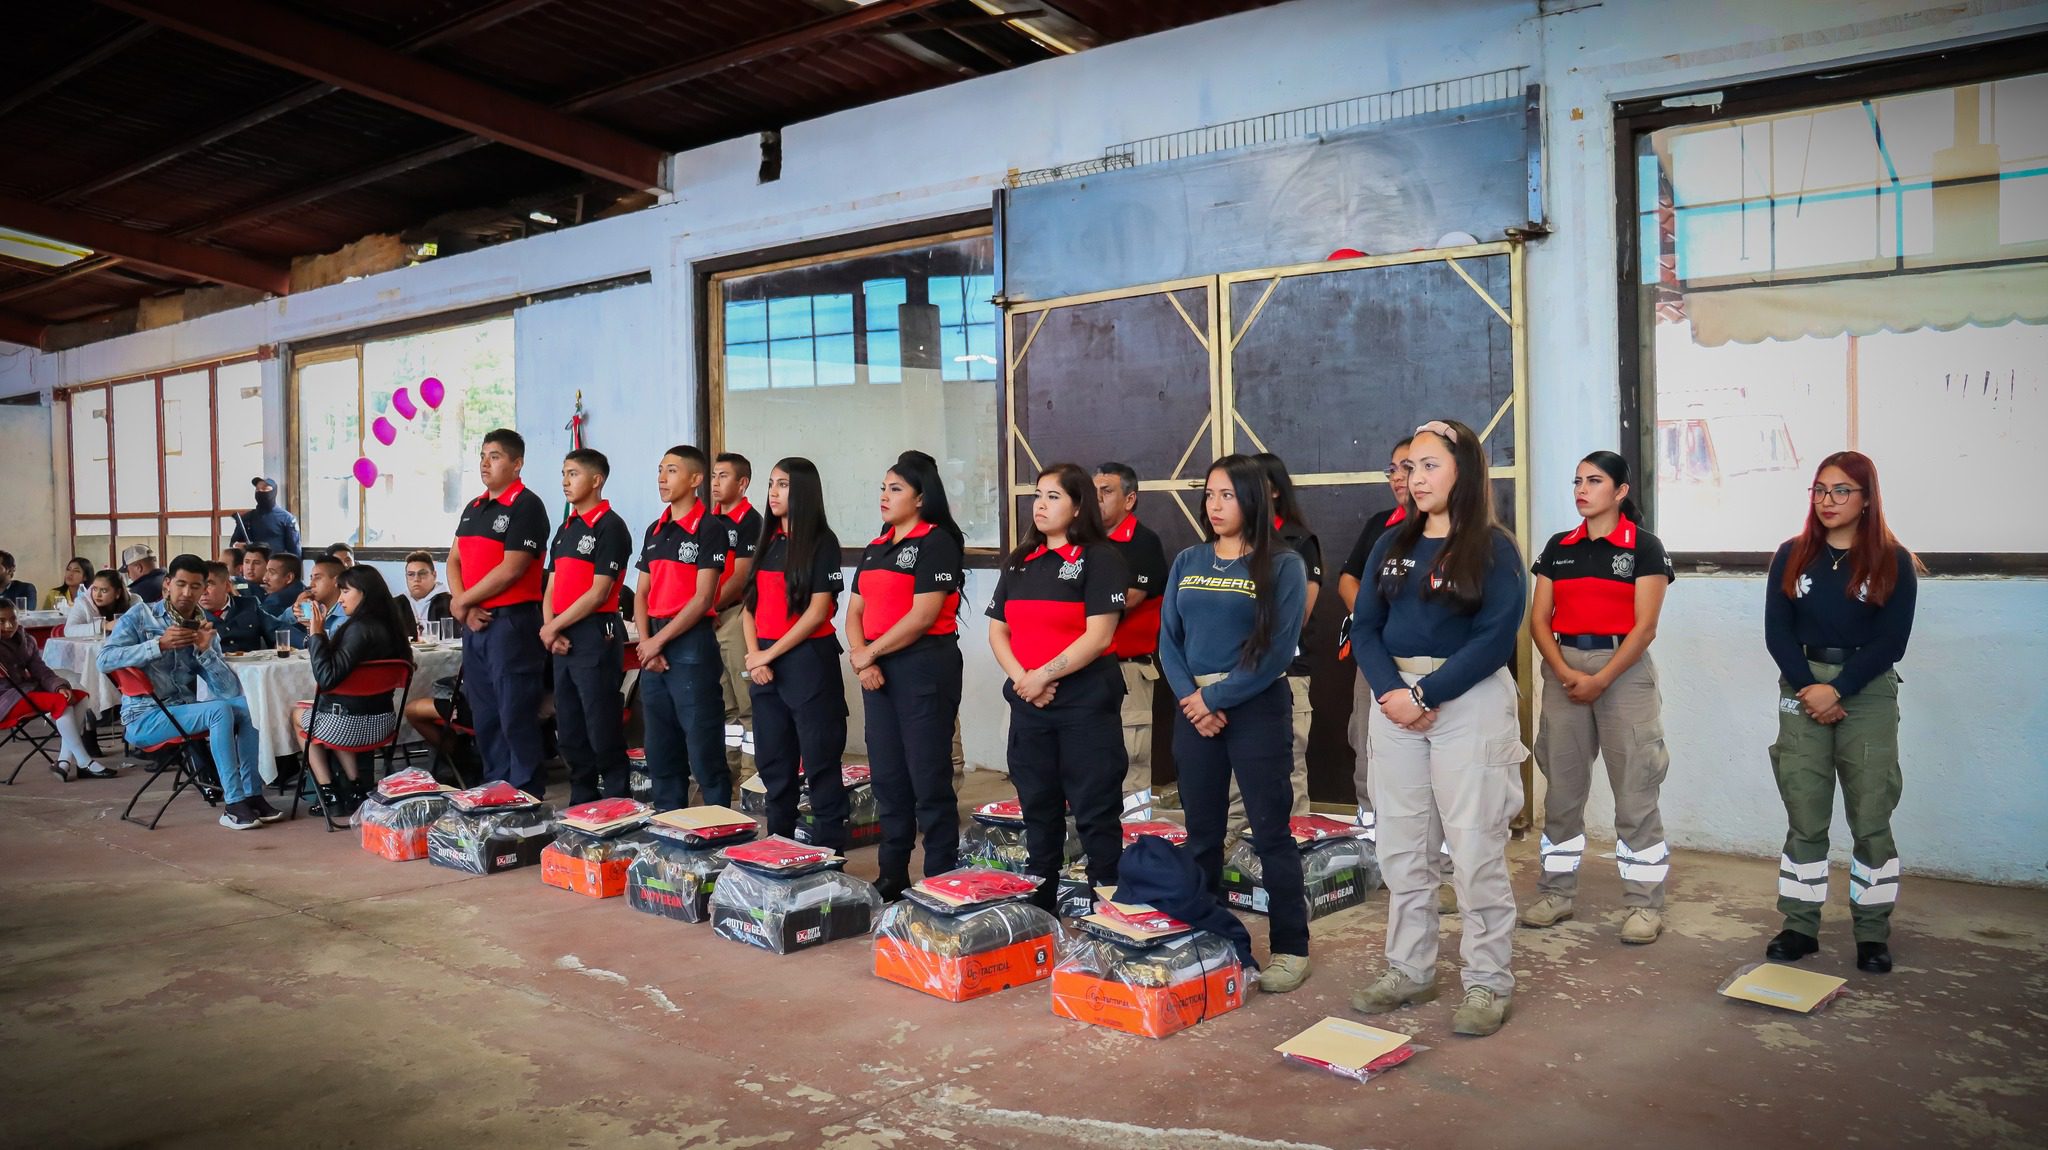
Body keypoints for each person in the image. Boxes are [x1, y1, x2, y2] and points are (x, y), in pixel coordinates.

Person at [1348, 418, 1528, 1038]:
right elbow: (1364, 625)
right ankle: (1409, 968)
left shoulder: (1493, 547)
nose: (1414, 478)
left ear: (1464, 471)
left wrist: (1427, 692)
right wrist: (1394, 692)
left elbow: (1495, 638)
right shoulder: (1391, 542)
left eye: (1429, 466)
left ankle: (1486, 980)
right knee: (1403, 847)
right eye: (1408, 467)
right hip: (1395, 701)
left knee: (1475, 846)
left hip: (1467, 701)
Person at [1158, 454, 1311, 992]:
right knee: (1201, 833)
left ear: (1253, 498)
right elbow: (1168, 641)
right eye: (1210, 495)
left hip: (1256, 709)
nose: (1214, 505)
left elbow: (1275, 652)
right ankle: (1208, 937)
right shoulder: (1189, 560)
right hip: (1193, 709)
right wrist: (1191, 699)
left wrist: (1215, 696)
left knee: (1271, 833)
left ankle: (1291, 947)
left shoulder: (1283, 565)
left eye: (1226, 495)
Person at [1764, 450, 1920, 975]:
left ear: (1867, 498)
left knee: (1871, 816)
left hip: (1867, 691)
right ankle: (1799, 925)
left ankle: (1872, 933)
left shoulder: (1893, 561)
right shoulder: (1791, 555)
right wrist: (1811, 688)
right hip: (1803, 687)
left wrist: (1841, 690)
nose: (1827, 501)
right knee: (1805, 812)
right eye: (1819, 490)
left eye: (1841, 491)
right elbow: (1777, 633)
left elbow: (1891, 642)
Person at [1520, 451, 1676, 945]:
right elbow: (1538, 620)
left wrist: (1602, 678)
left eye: (1595, 481)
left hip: (1622, 674)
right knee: (1562, 793)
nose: (1582, 489)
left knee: (1635, 790)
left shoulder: (1644, 547)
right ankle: (1555, 894)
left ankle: (1644, 904)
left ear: (1621, 491)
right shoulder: (1558, 547)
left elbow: (1645, 627)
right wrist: (1565, 671)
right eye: (1577, 481)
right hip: (1565, 671)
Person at [989, 463, 1131, 915]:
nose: (1041, 505)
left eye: (1053, 496)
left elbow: (1099, 636)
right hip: (1031, 702)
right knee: (1038, 805)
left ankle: (1108, 904)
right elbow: (997, 631)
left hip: (1085, 703)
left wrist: (1043, 675)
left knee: (1095, 807)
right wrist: (1023, 680)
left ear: (1077, 506)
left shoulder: (1100, 557)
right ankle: (1041, 905)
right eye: (1037, 495)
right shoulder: (1020, 561)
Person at [848, 452, 967, 900]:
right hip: (878, 668)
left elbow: (922, 616)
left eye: (895, 489)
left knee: (928, 777)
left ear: (920, 498)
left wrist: (869, 654)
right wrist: (866, 657)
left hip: (923, 666)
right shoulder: (877, 546)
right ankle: (893, 874)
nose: (884, 496)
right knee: (888, 778)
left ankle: (939, 879)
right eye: (883, 488)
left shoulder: (936, 542)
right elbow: (855, 610)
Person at [98, 553, 277, 830]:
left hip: (182, 711)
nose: (187, 593)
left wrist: (206, 651)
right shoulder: (141, 615)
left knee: (247, 705)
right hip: (144, 716)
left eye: (195, 586)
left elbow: (227, 689)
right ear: (167, 584)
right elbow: (104, 660)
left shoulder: (202, 623)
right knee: (218, 711)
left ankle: (252, 795)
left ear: (204, 588)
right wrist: (158, 645)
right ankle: (233, 803)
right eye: (181, 584)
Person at [741, 457, 849, 848]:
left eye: (783, 485)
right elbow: (748, 609)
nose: (772, 492)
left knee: (820, 762)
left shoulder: (823, 543)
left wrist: (769, 656)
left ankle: (829, 852)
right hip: (765, 663)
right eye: (771, 483)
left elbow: (817, 612)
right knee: (774, 764)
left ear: (802, 491)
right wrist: (756, 656)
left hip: (807, 661)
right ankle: (778, 846)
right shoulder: (768, 542)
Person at [447, 428, 552, 797]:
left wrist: (463, 602)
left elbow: (513, 567)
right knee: (486, 716)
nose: (484, 463)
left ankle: (524, 794)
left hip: (512, 624)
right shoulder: (474, 507)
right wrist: (465, 606)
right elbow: (453, 560)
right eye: (482, 456)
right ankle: (495, 789)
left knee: (515, 715)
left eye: (494, 456)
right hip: (475, 625)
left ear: (517, 463)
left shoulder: (526, 505)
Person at [632, 445, 730, 810]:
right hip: (654, 642)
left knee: (703, 745)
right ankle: (669, 826)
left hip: (689, 643)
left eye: (671, 470)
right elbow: (641, 593)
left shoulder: (710, 528)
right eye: (660, 470)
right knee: (660, 748)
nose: (662, 478)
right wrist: (646, 642)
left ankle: (718, 825)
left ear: (695, 479)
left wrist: (657, 641)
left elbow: (703, 598)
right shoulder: (655, 529)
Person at [541, 449, 634, 806]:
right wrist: (551, 628)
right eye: (563, 473)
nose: (565, 481)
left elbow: (599, 593)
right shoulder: (566, 529)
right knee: (569, 724)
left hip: (594, 632)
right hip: (561, 634)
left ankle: (616, 799)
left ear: (596, 480)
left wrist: (554, 628)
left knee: (601, 723)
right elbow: (551, 585)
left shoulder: (610, 526)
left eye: (574, 474)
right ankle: (581, 798)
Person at [297, 566, 416, 817]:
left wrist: (316, 635)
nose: (340, 598)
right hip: (384, 724)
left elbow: (327, 678)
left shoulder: (359, 628)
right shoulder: (392, 627)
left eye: (345, 591)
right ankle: (355, 788)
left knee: (296, 714)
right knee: (337, 707)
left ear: (365, 593)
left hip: (351, 728)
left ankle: (328, 790)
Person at [1094, 462, 1169, 818]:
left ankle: (1136, 837)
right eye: (1092, 491)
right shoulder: (1082, 541)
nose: (1097, 499)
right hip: (1083, 666)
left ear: (1130, 499)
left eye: (1106, 491)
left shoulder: (1143, 541)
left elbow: (1128, 599)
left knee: (1131, 760)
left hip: (1127, 669)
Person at [1252, 451, 1322, 822]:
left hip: (1287, 670)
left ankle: (1296, 848)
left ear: (1275, 491)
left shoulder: (1298, 540)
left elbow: (1301, 613)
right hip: (1236, 673)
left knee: (1287, 761)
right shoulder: (1227, 542)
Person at [0, 598, 117, 779]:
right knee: (60, 702)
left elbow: (41, 671)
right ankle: (84, 761)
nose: (9, 625)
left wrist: (58, 686)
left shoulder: (27, 640)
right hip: (5, 699)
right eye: (1, 621)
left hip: (27, 690)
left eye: (13, 619)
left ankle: (64, 761)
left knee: (79, 696)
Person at [710, 452, 763, 789]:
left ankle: (750, 776)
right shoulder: (707, 520)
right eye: (713, 476)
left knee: (748, 705)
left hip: (734, 615)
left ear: (742, 483)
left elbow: (741, 577)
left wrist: (707, 606)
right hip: (708, 618)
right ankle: (727, 773)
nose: (715, 483)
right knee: (725, 704)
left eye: (723, 476)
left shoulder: (751, 521)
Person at [202, 562, 272, 654]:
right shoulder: (192, 615)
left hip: (251, 666)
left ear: (227, 586)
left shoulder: (249, 605)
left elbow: (278, 630)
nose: (203, 592)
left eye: (209, 585)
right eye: (198, 586)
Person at [284, 555, 348, 648]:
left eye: (317, 578)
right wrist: (294, 611)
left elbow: (331, 654)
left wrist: (315, 629)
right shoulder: (314, 608)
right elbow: (276, 626)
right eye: (311, 578)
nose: (311, 584)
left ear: (337, 581)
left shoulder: (346, 616)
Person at [230, 476, 301, 557]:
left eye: (265, 489)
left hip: (276, 567)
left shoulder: (287, 519)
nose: (260, 491)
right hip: (250, 566)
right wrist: (238, 546)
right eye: (257, 489)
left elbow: (295, 553)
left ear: (274, 492)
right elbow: (233, 545)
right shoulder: (246, 518)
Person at [65, 570, 131, 636]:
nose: (97, 595)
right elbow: (69, 631)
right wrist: (103, 625)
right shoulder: (83, 603)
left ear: (118, 593)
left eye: (104, 590)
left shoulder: (134, 601)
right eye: (95, 589)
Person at [401, 550, 452, 631]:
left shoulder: (450, 603)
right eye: (411, 574)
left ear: (434, 575)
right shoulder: (397, 604)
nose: (416, 579)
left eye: (422, 573)